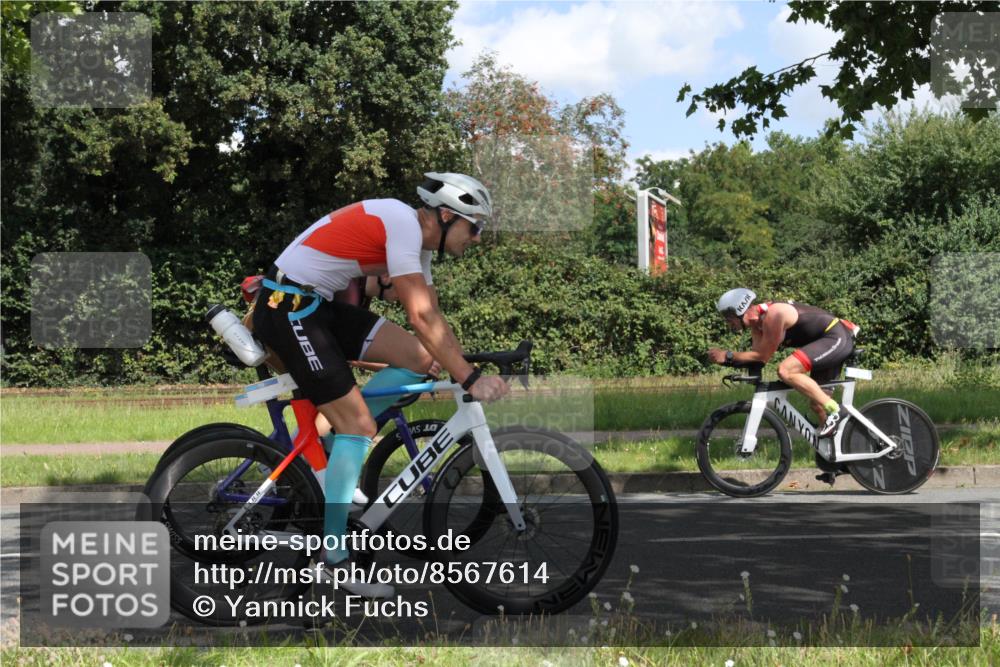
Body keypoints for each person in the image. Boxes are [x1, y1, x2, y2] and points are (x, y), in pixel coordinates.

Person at [251, 173, 509, 597]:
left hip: (316, 305)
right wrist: (470, 378)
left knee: (419, 359)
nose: (477, 237)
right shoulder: (404, 225)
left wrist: (460, 365)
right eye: (474, 226)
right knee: (359, 426)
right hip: (288, 307)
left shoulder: (416, 244)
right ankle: (333, 559)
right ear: (446, 216)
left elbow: (432, 323)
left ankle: (336, 442)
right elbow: (421, 318)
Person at [707, 288, 859, 481]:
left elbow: (763, 355)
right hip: (824, 342)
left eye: (728, 318)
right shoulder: (757, 326)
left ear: (739, 310)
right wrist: (735, 364)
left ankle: (836, 413)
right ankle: (835, 457)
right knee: (816, 404)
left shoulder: (774, 314)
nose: (728, 324)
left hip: (835, 337)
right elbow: (758, 359)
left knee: (786, 370)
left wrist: (727, 356)